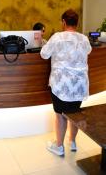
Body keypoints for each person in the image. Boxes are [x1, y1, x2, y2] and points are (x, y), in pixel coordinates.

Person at [40, 9, 92, 156]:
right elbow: (88, 51)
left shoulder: (57, 37)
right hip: (80, 85)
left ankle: (59, 146)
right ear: (77, 23)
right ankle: (73, 142)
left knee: (60, 115)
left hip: (61, 85)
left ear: (63, 22)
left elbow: (44, 54)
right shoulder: (84, 39)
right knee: (74, 114)